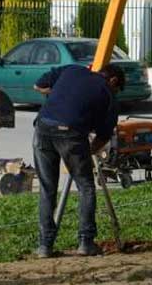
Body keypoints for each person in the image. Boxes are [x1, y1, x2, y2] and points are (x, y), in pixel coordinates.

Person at [32, 63, 125, 258]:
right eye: (117, 88)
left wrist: (60, 94)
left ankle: (44, 246)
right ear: (113, 80)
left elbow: (38, 86)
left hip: (42, 129)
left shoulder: (72, 70)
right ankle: (85, 242)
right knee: (86, 187)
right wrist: (87, 151)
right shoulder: (108, 94)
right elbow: (103, 136)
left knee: (47, 188)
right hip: (71, 135)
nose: (116, 92)